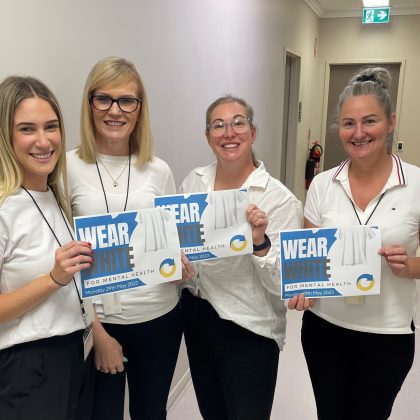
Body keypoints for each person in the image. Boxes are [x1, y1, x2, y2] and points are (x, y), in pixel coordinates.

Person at [289, 67, 420, 420]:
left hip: (387, 335)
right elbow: (308, 262)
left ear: (391, 122)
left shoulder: (417, 184)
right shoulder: (322, 185)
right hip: (324, 330)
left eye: (370, 121)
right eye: (348, 123)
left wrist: (410, 265)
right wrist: (304, 289)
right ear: (339, 129)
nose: (359, 133)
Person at [66, 57, 183, 420]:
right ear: (89, 105)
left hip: (159, 317)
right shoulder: (65, 168)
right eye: (104, 99)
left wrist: (180, 263)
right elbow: (65, 261)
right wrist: (97, 333)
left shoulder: (159, 169)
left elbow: (170, 240)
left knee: (151, 413)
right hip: (99, 321)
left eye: (127, 101)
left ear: (139, 109)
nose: (115, 110)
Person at [180, 95, 303, 420]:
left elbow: (285, 285)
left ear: (253, 132)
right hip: (197, 317)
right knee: (213, 411)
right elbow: (186, 250)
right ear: (208, 136)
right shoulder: (194, 183)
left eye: (238, 122)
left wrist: (259, 242)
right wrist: (176, 264)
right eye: (218, 125)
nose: (228, 132)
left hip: (249, 328)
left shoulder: (279, 200)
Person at [0, 76, 94, 420]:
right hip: (28, 366)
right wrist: (53, 279)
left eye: (51, 127)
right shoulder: (4, 208)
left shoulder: (54, 196)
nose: (43, 141)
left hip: (73, 355)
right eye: (27, 129)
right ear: (5, 137)